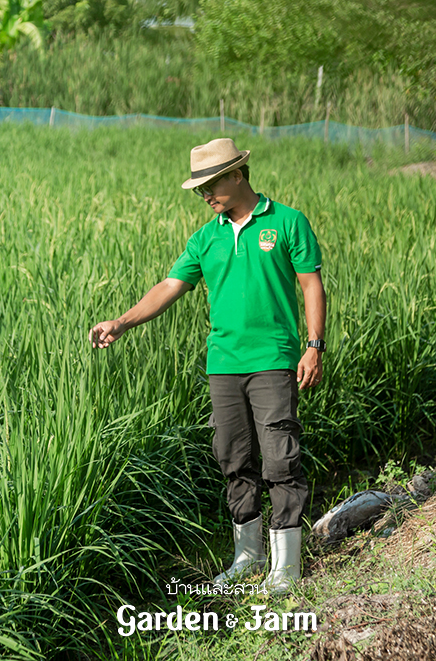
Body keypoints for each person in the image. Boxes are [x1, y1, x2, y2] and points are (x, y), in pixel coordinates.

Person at [88, 137, 326, 594]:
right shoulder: (206, 237)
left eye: (210, 184)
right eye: (199, 188)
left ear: (237, 175)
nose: (204, 195)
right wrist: (122, 322)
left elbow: (311, 285)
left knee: (279, 458)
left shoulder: (287, 222)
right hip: (223, 365)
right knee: (233, 458)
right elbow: (169, 286)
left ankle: (287, 567)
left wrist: (313, 345)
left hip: (273, 360)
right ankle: (248, 556)